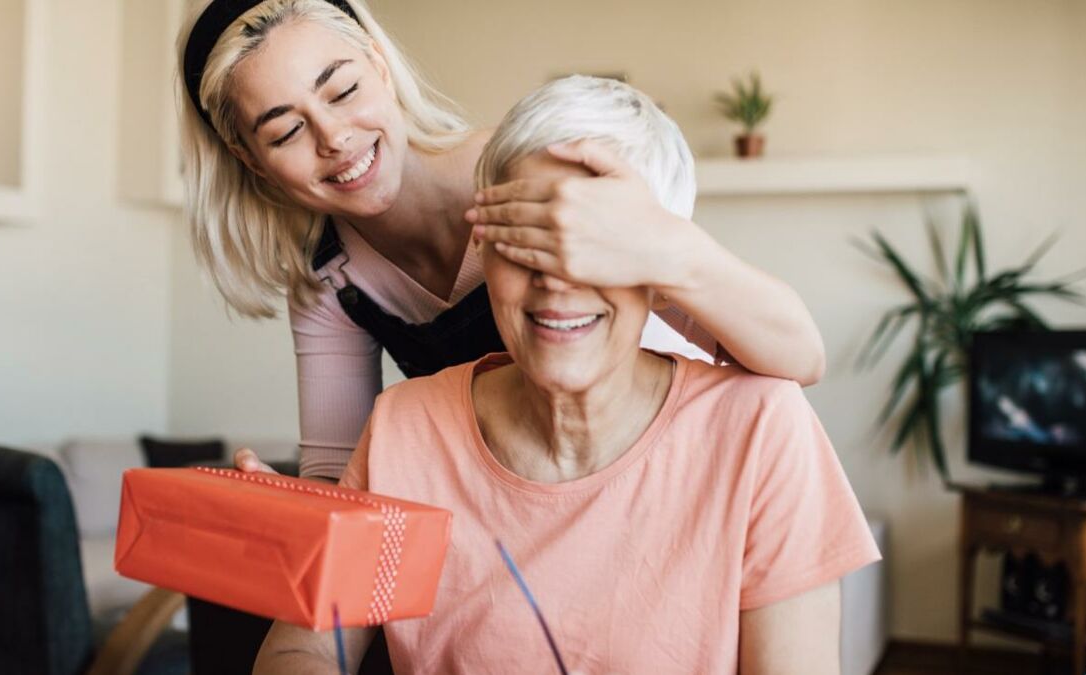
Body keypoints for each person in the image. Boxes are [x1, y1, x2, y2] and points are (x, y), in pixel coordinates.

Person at [251, 75, 879, 675]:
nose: (556, 279)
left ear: (664, 277)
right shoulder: (403, 428)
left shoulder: (761, 430)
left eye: (596, 248)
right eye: (527, 241)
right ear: (484, 251)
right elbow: (306, 649)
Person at [179, 0, 826, 482]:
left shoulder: (538, 168)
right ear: (251, 157)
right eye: (285, 131)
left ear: (379, 66)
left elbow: (800, 355)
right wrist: (296, 511)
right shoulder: (334, 279)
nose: (334, 138)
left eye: (343, 90)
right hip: (514, 504)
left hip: (663, 470)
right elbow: (343, 477)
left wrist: (657, 240)